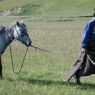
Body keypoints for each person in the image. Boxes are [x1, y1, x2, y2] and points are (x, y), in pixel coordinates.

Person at [64, 13, 95, 84]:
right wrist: (84, 46)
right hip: (90, 47)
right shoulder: (92, 22)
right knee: (86, 65)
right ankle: (76, 75)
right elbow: (86, 34)